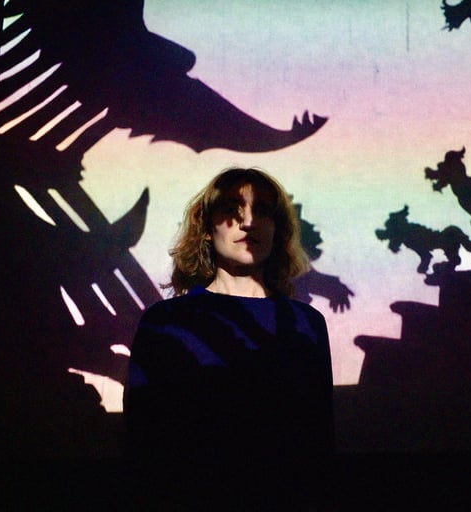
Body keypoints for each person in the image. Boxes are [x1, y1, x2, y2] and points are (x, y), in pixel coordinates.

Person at [123, 167, 334, 510]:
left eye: (262, 211)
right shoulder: (165, 322)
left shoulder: (306, 323)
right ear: (207, 229)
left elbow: (319, 440)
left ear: (278, 229)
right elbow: (142, 439)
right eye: (232, 210)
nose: (248, 222)